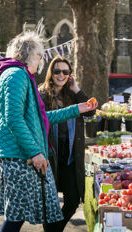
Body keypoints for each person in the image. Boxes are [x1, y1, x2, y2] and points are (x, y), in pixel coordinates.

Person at [0, 31, 97, 232]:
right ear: (29, 55)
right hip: (18, 156)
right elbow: (13, 118)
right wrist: (35, 152)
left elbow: (41, 118)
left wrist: (77, 109)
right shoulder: (16, 75)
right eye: (39, 55)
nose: (40, 60)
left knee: (18, 215)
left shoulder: (19, 75)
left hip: (20, 155)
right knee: (16, 216)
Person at [39, 56, 95, 232]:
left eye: (65, 71)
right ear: (51, 73)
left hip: (70, 156)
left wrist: (77, 89)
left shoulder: (72, 94)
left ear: (70, 74)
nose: (61, 75)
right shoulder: (42, 94)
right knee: (50, 203)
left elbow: (90, 115)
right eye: (57, 71)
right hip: (51, 156)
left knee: (72, 200)